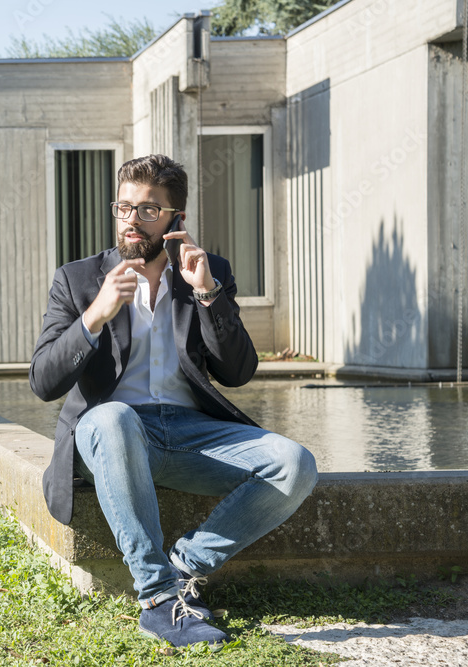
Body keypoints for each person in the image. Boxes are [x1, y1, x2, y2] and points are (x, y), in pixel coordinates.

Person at [29, 154, 318, 648]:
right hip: (111, 434)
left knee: (296, 463)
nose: (132, 220)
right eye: (124, 208)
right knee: (116, 417)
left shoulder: (206, 271)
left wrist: (208, 294)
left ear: (175, 219)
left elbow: (238, 373)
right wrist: (96, 315)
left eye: (147, 210)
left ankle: (185, 565)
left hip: (187, 433)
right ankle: (159, 598)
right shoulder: (77, 280)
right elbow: (43, 380)